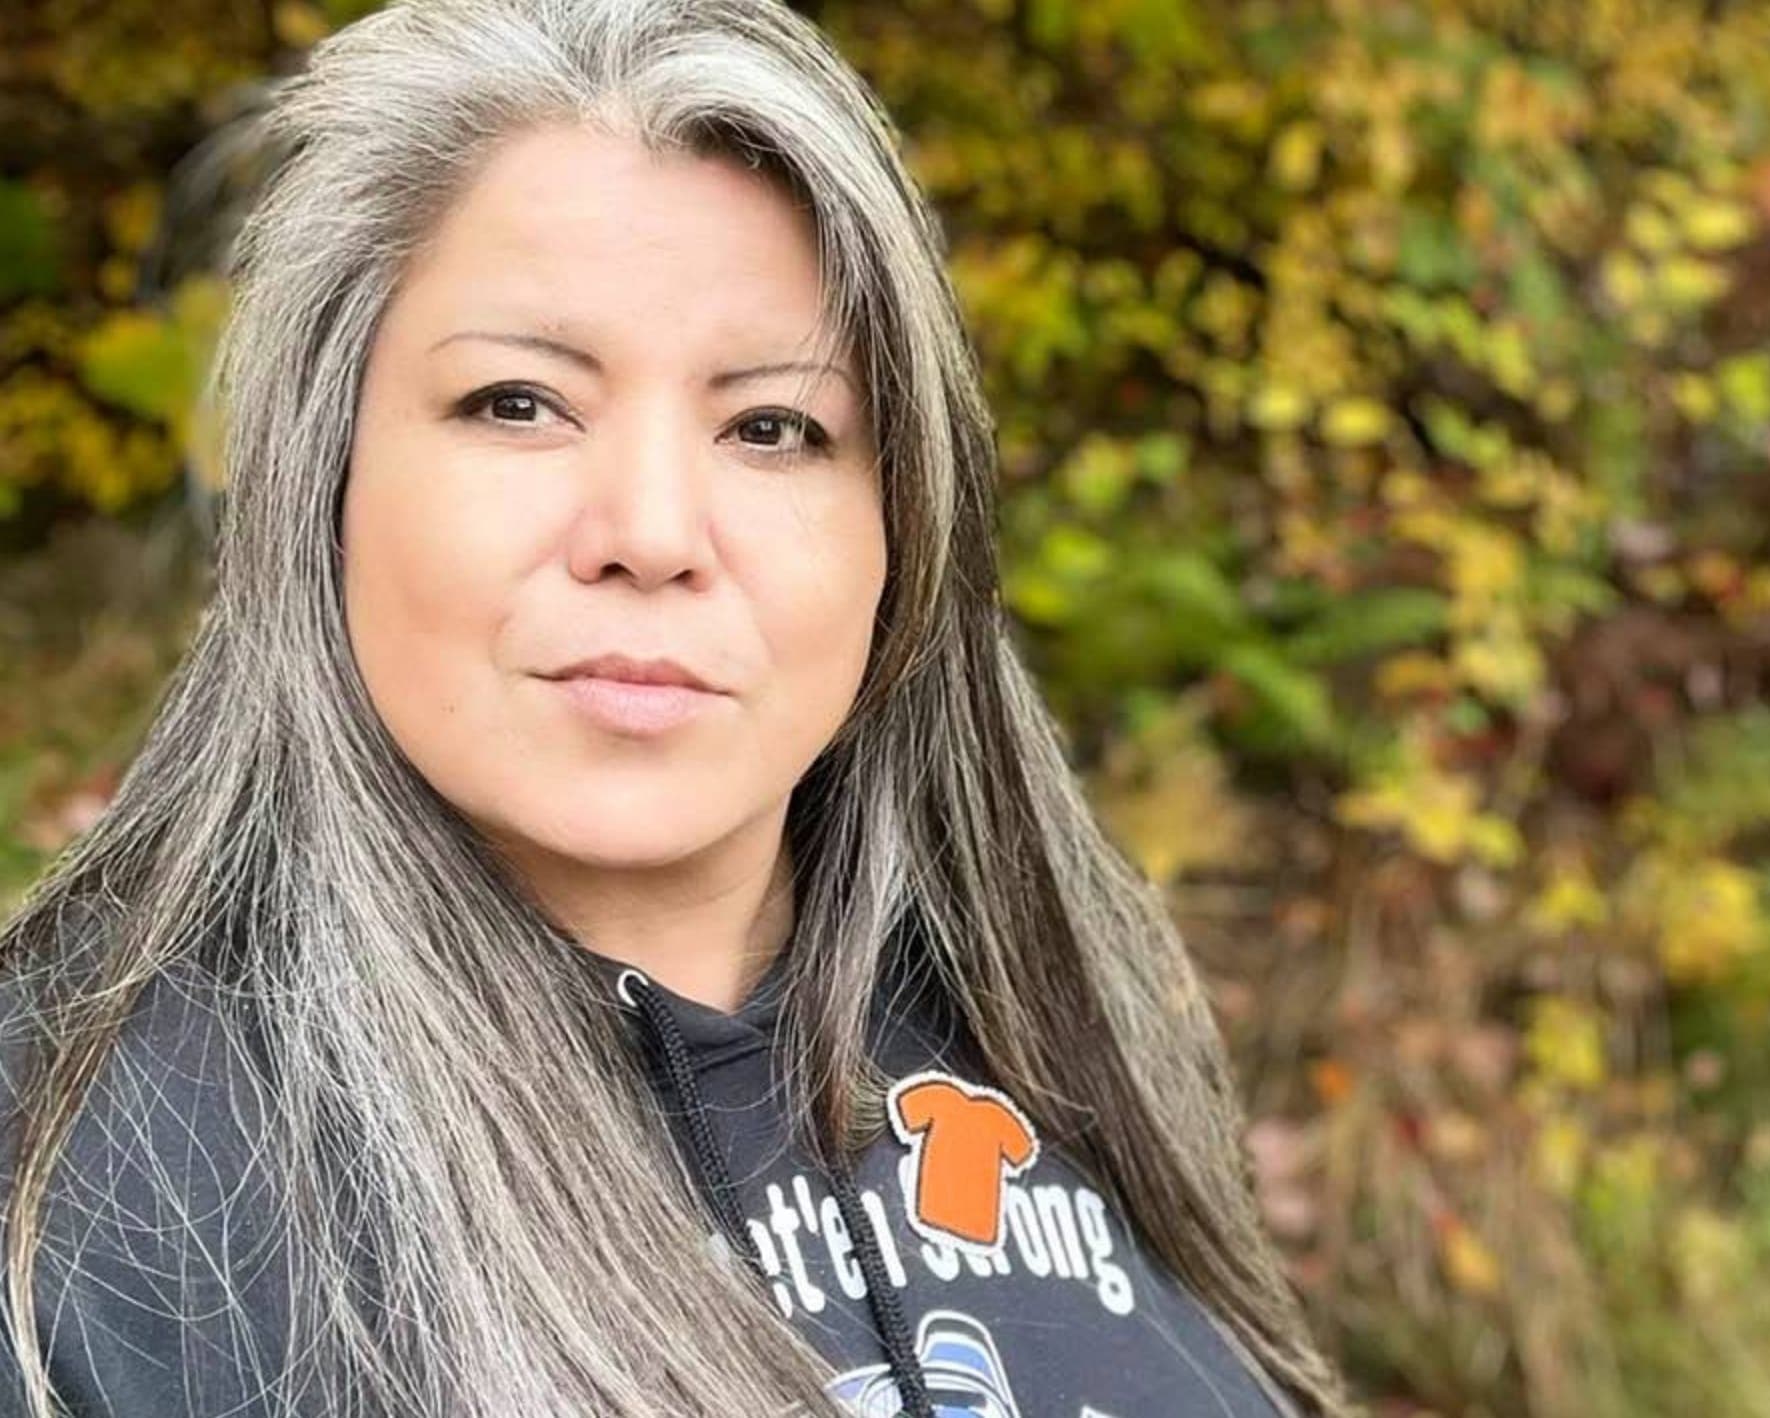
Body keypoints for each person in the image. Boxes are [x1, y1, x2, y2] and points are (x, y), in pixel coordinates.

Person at [0, 1, 1363, 1414]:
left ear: (903, 528)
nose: (651, 530)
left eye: (774, 427)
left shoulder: (1063, 1030)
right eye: (519, 402)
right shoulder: (83, 1189)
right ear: (321, 476)